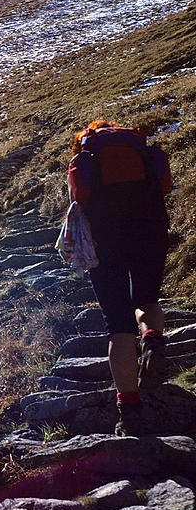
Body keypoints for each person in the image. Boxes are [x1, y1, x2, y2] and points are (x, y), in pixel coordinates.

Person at [68, 119, 171, 436]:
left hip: (106, 241)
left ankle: (130, 412)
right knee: (147, 299)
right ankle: (152, 337)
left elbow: (79, 200)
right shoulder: (142, 153)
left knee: (118, 324)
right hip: (152, 232)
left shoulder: (85, 159)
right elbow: (164, 187)